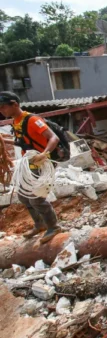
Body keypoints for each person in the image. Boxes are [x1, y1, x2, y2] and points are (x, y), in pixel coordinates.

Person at [0, 92, 61, 243]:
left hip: (39, 162)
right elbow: (24, 142)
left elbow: (54, 137)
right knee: (23, 196)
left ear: (15, 104)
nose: (1, 110)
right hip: (28, 162)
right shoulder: (16, 121)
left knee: (35, 198)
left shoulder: (33, 120)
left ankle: (53, 226)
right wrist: (4, 141)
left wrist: (44, 154)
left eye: (3, 107)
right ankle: (40, 224)